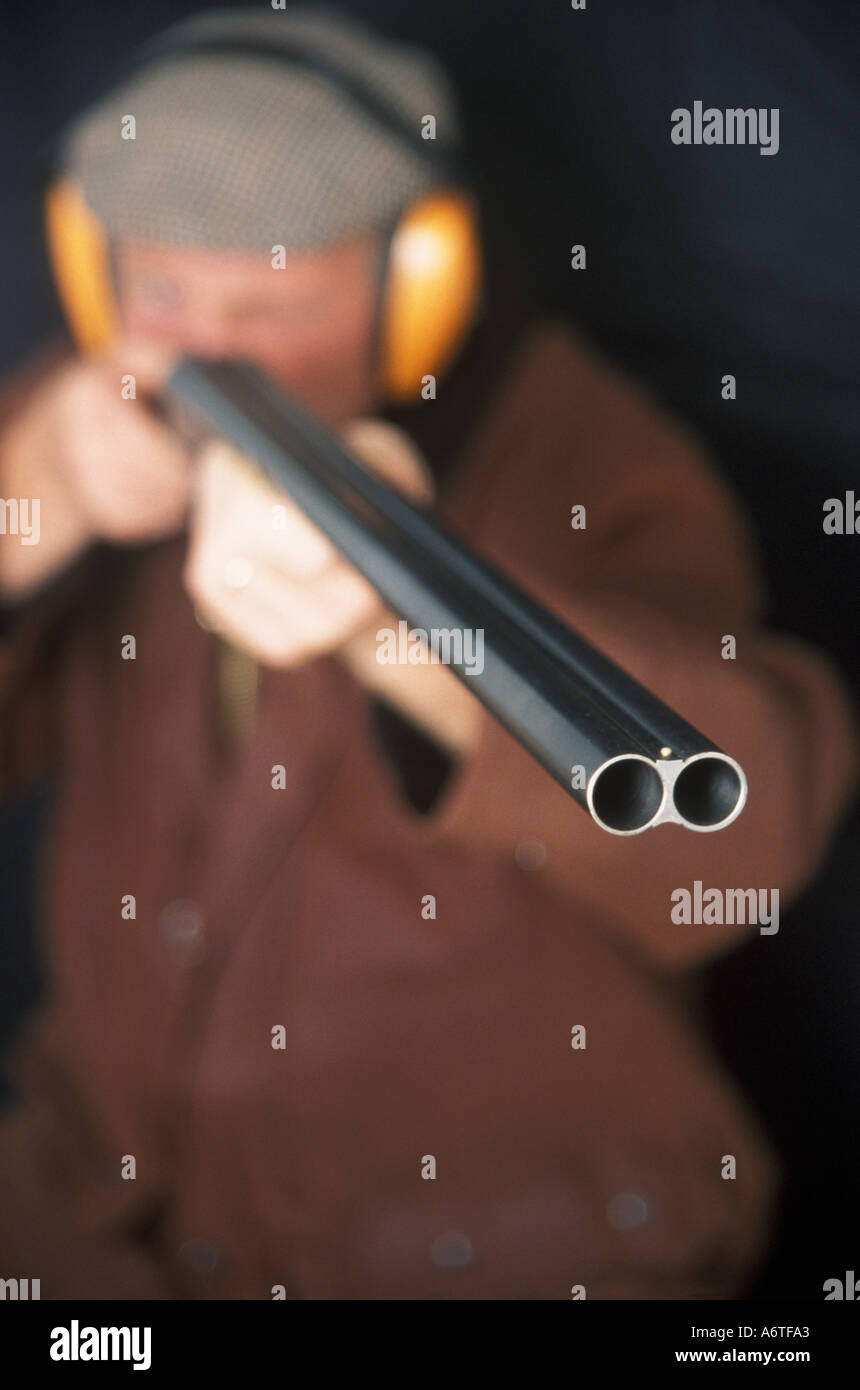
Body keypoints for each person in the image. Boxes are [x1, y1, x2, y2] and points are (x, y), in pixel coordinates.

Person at [0, 7, 855, 1300]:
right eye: (164, 291)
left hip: (498, 1254)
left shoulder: (585, 449)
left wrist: (389, 630)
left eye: (276, 299)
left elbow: (739, 840)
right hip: (87, 1226)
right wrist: (32, 500)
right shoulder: (84, 412)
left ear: (418, 283)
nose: (211, 354)